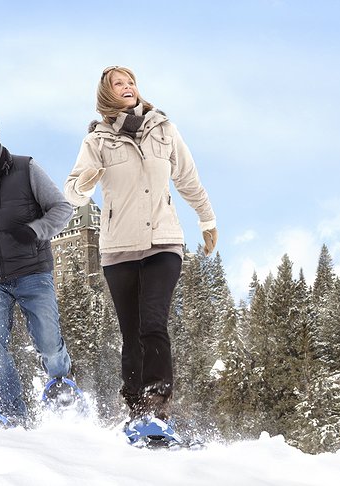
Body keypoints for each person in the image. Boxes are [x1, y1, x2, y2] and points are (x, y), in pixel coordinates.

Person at [64, 66, 218, 422]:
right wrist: (86, 182)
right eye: (118, 84)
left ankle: (157, 404)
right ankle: (135, 408)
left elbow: (188, 179)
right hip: (118, 249)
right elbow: (73, 192)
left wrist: (207, 219)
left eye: (130, 81)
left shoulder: (163, 129)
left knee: (153, 322)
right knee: (131, 333)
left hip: (164, 242)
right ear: (107, 95)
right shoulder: (97, 141)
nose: (127, 87)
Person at [0, 108, 75, 426]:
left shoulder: (25, 168)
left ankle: (60, 382)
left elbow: (62, 208)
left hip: (33, 271)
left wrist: (35, 230)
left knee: (47, 340)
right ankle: (11, 411)